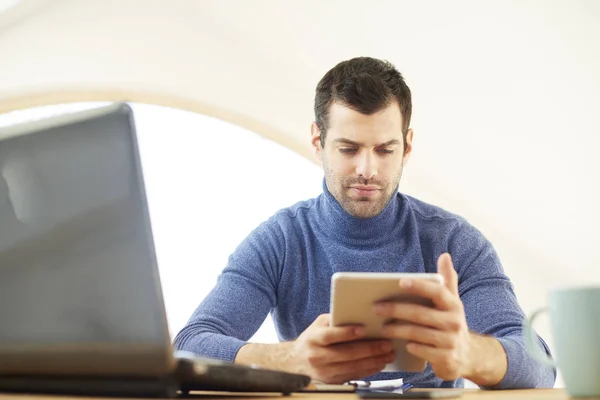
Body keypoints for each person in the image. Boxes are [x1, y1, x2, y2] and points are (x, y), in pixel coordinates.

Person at [173, 57, 556, 389]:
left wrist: (468, 353)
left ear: (406, 146)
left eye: (385, 150)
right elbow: (189, 344)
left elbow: (540, 366)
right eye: (348, 148)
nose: (367, 170)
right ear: (317, 140)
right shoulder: (280, 240)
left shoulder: (454, 241)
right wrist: (291, 359)